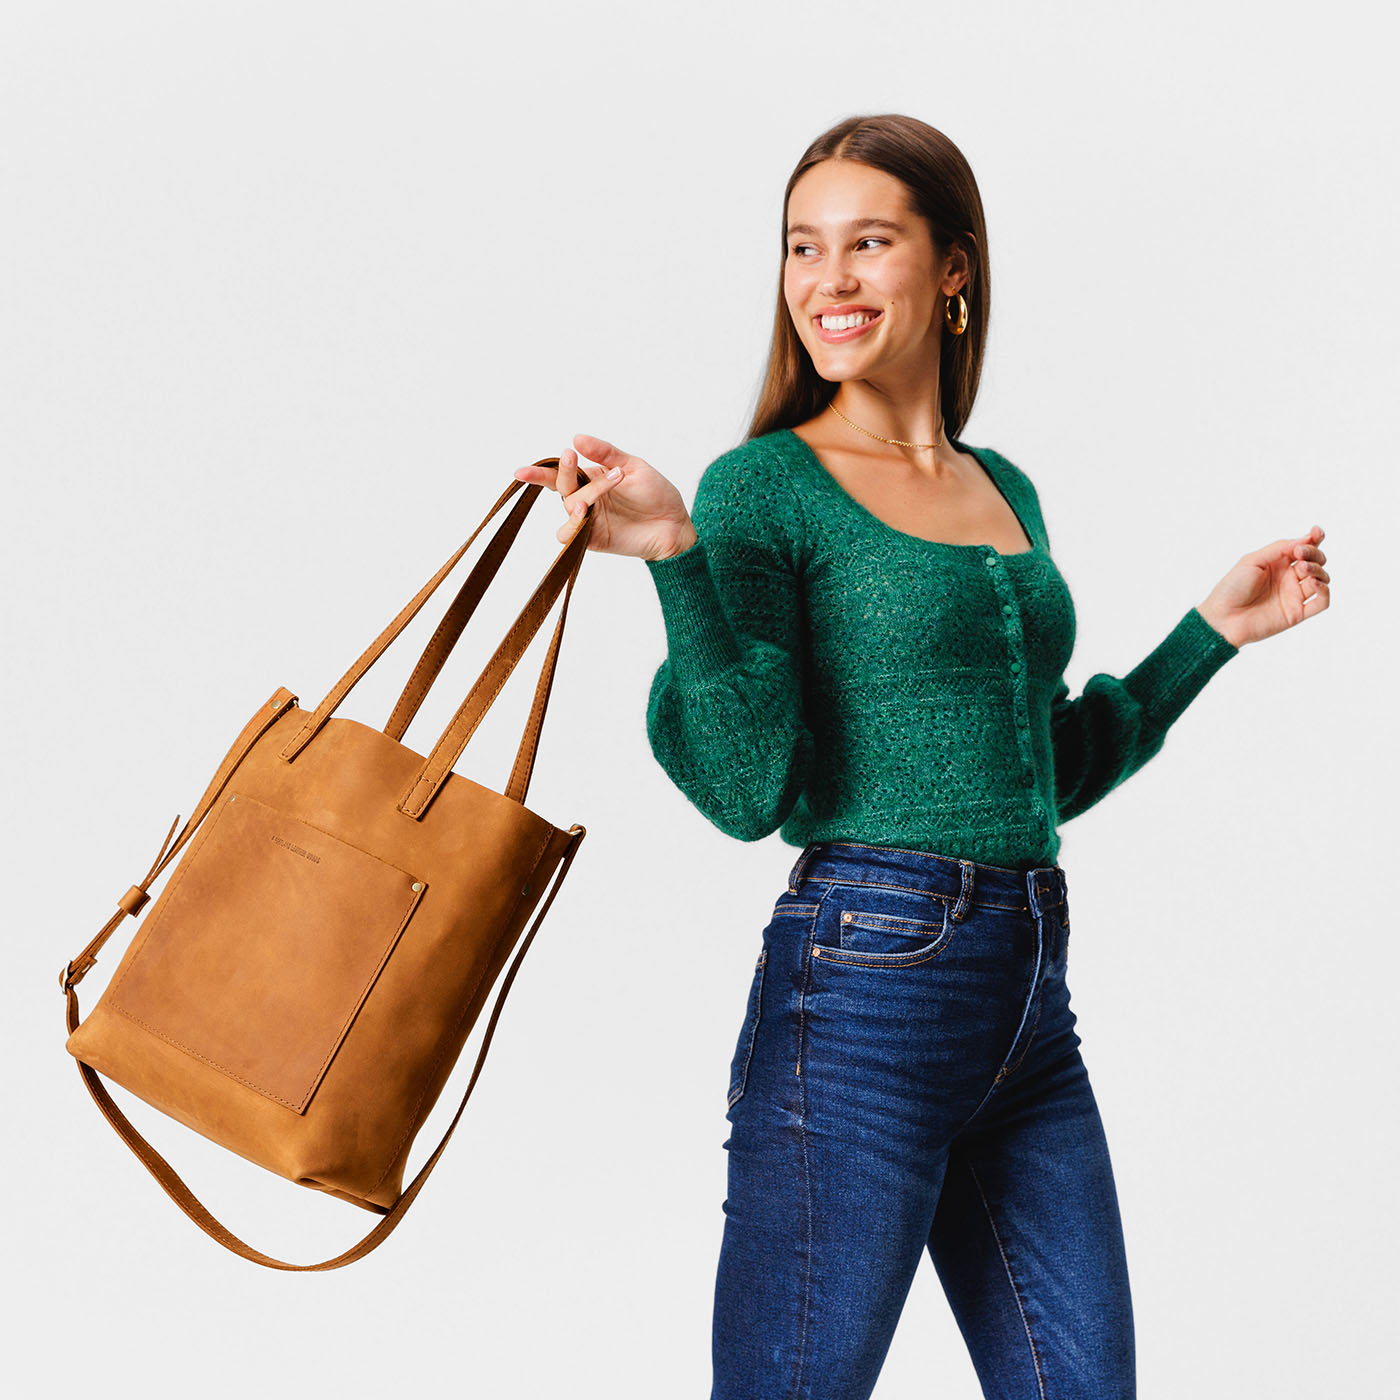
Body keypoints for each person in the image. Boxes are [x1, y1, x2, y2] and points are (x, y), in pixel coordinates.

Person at [514, 113, 1330, 1400]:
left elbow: (1032, 771)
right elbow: (742, 787)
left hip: (1027, 998)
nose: (825, 279)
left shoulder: (1003, 486)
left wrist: (1208, 634)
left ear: (952, 266)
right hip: (863, 994)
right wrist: (674, 555)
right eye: (802, 246)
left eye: (867, 242)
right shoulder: (761, 487)